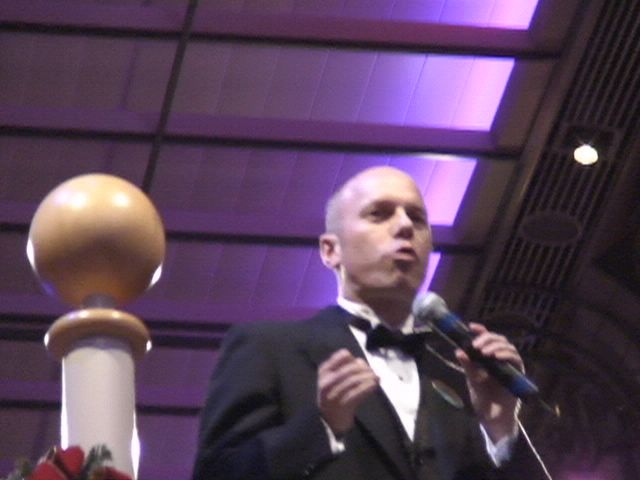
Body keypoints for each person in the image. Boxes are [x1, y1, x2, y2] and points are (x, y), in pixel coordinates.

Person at [192, 166, 544, 480]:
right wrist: (322, 427)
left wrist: (499, 426)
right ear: (331, 250)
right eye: (379, 214)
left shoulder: (461, 379)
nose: (405, 226)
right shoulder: (269, 347)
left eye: (417, 218)